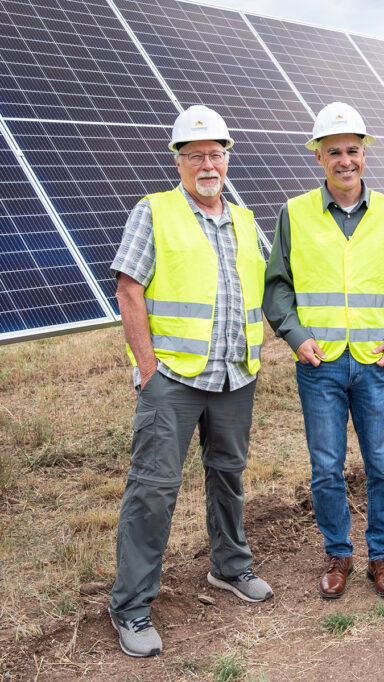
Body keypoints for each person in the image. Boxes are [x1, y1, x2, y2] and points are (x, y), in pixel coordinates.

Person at [108, 105, 272, 658]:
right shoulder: (153, 212)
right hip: (174, 378)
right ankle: (130, 606)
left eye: (216, 154)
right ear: (179, 161)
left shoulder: (246, 220)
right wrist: (147, 366)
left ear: (227, 159)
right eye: (196, 155)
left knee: (228, 475)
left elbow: (267, 289)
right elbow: (129, 288)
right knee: (153, 490)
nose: (208, 163)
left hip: (235, 375)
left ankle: (229, 566)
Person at [263, 102, 384, 599]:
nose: (345, 160)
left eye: (353, 150)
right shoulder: (294, 213)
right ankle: (338, 553)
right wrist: (295, 336)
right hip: (320, 362)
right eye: (334, 151)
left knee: (382, 465)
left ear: (364, 153)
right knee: (327, 466)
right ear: (319, 157)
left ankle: (381, 555)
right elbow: (277, 287)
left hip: (375, 360)